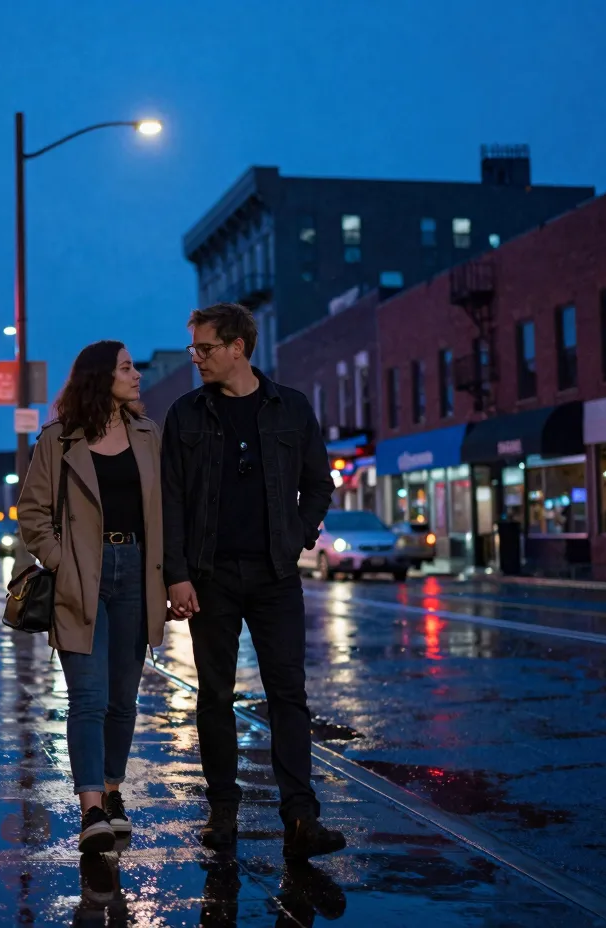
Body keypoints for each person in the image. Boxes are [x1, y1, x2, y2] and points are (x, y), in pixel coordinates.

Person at [161, 302, 347, 862]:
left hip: (275, 573)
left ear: (238, 347)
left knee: (288, 694)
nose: (196, 358)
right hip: (210, 577)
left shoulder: (289, 408)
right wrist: (176, 575)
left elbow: (320, 481)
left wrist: (297, 535)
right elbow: (169, 500)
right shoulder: (185, 414)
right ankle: (223, 813)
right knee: (215, 696)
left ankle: (301, 817)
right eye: (193, 348)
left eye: (205, 348)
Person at [18, 341, 170, 853]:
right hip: (82, 575)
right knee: (89, 697)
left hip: (137, 572)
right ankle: (91, 812)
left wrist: (170, 577)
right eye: (127, 367)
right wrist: (62, 563)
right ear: (101, 376)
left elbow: (166, 511)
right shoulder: (59, 440)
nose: (136, 375)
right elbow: (32, 513)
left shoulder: (149, 436)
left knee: (123, 699)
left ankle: (111, 791)